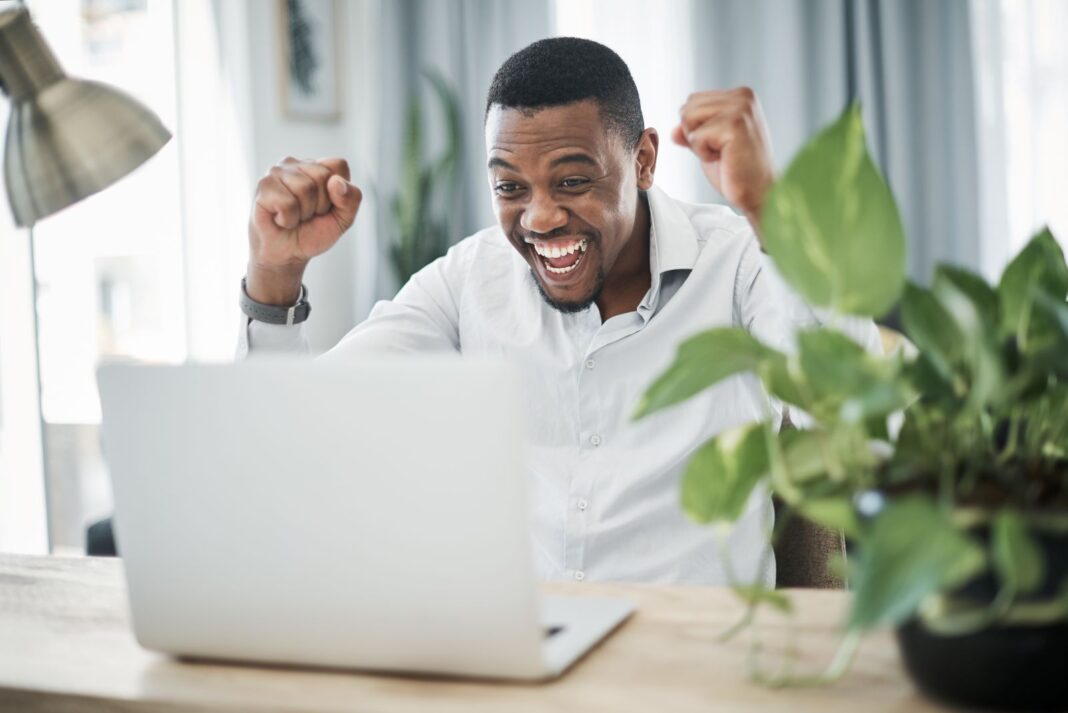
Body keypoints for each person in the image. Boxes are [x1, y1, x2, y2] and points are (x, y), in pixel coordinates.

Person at [236, 37, 879, 586]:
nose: (539, 218)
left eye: (573, 181)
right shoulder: (471, 278)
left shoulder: (738, 262)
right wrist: (275, 272)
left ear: (644, 160)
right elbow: (297, 429)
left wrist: (769, 209)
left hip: (695, 666)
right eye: (510, 188)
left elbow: (856, 399)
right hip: (525, 664)